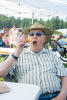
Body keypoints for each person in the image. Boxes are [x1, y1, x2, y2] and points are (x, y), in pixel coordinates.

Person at [0, 22, 67, 100]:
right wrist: (16, 53)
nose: (34, 36)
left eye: (38, 34)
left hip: (55, 96)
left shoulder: (53, 55)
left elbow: (64, 76)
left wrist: (62, 95)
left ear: (44, 39)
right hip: (29, 97)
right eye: (31, 34)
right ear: (28, 38)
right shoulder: (18, 54)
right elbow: (1, 73)